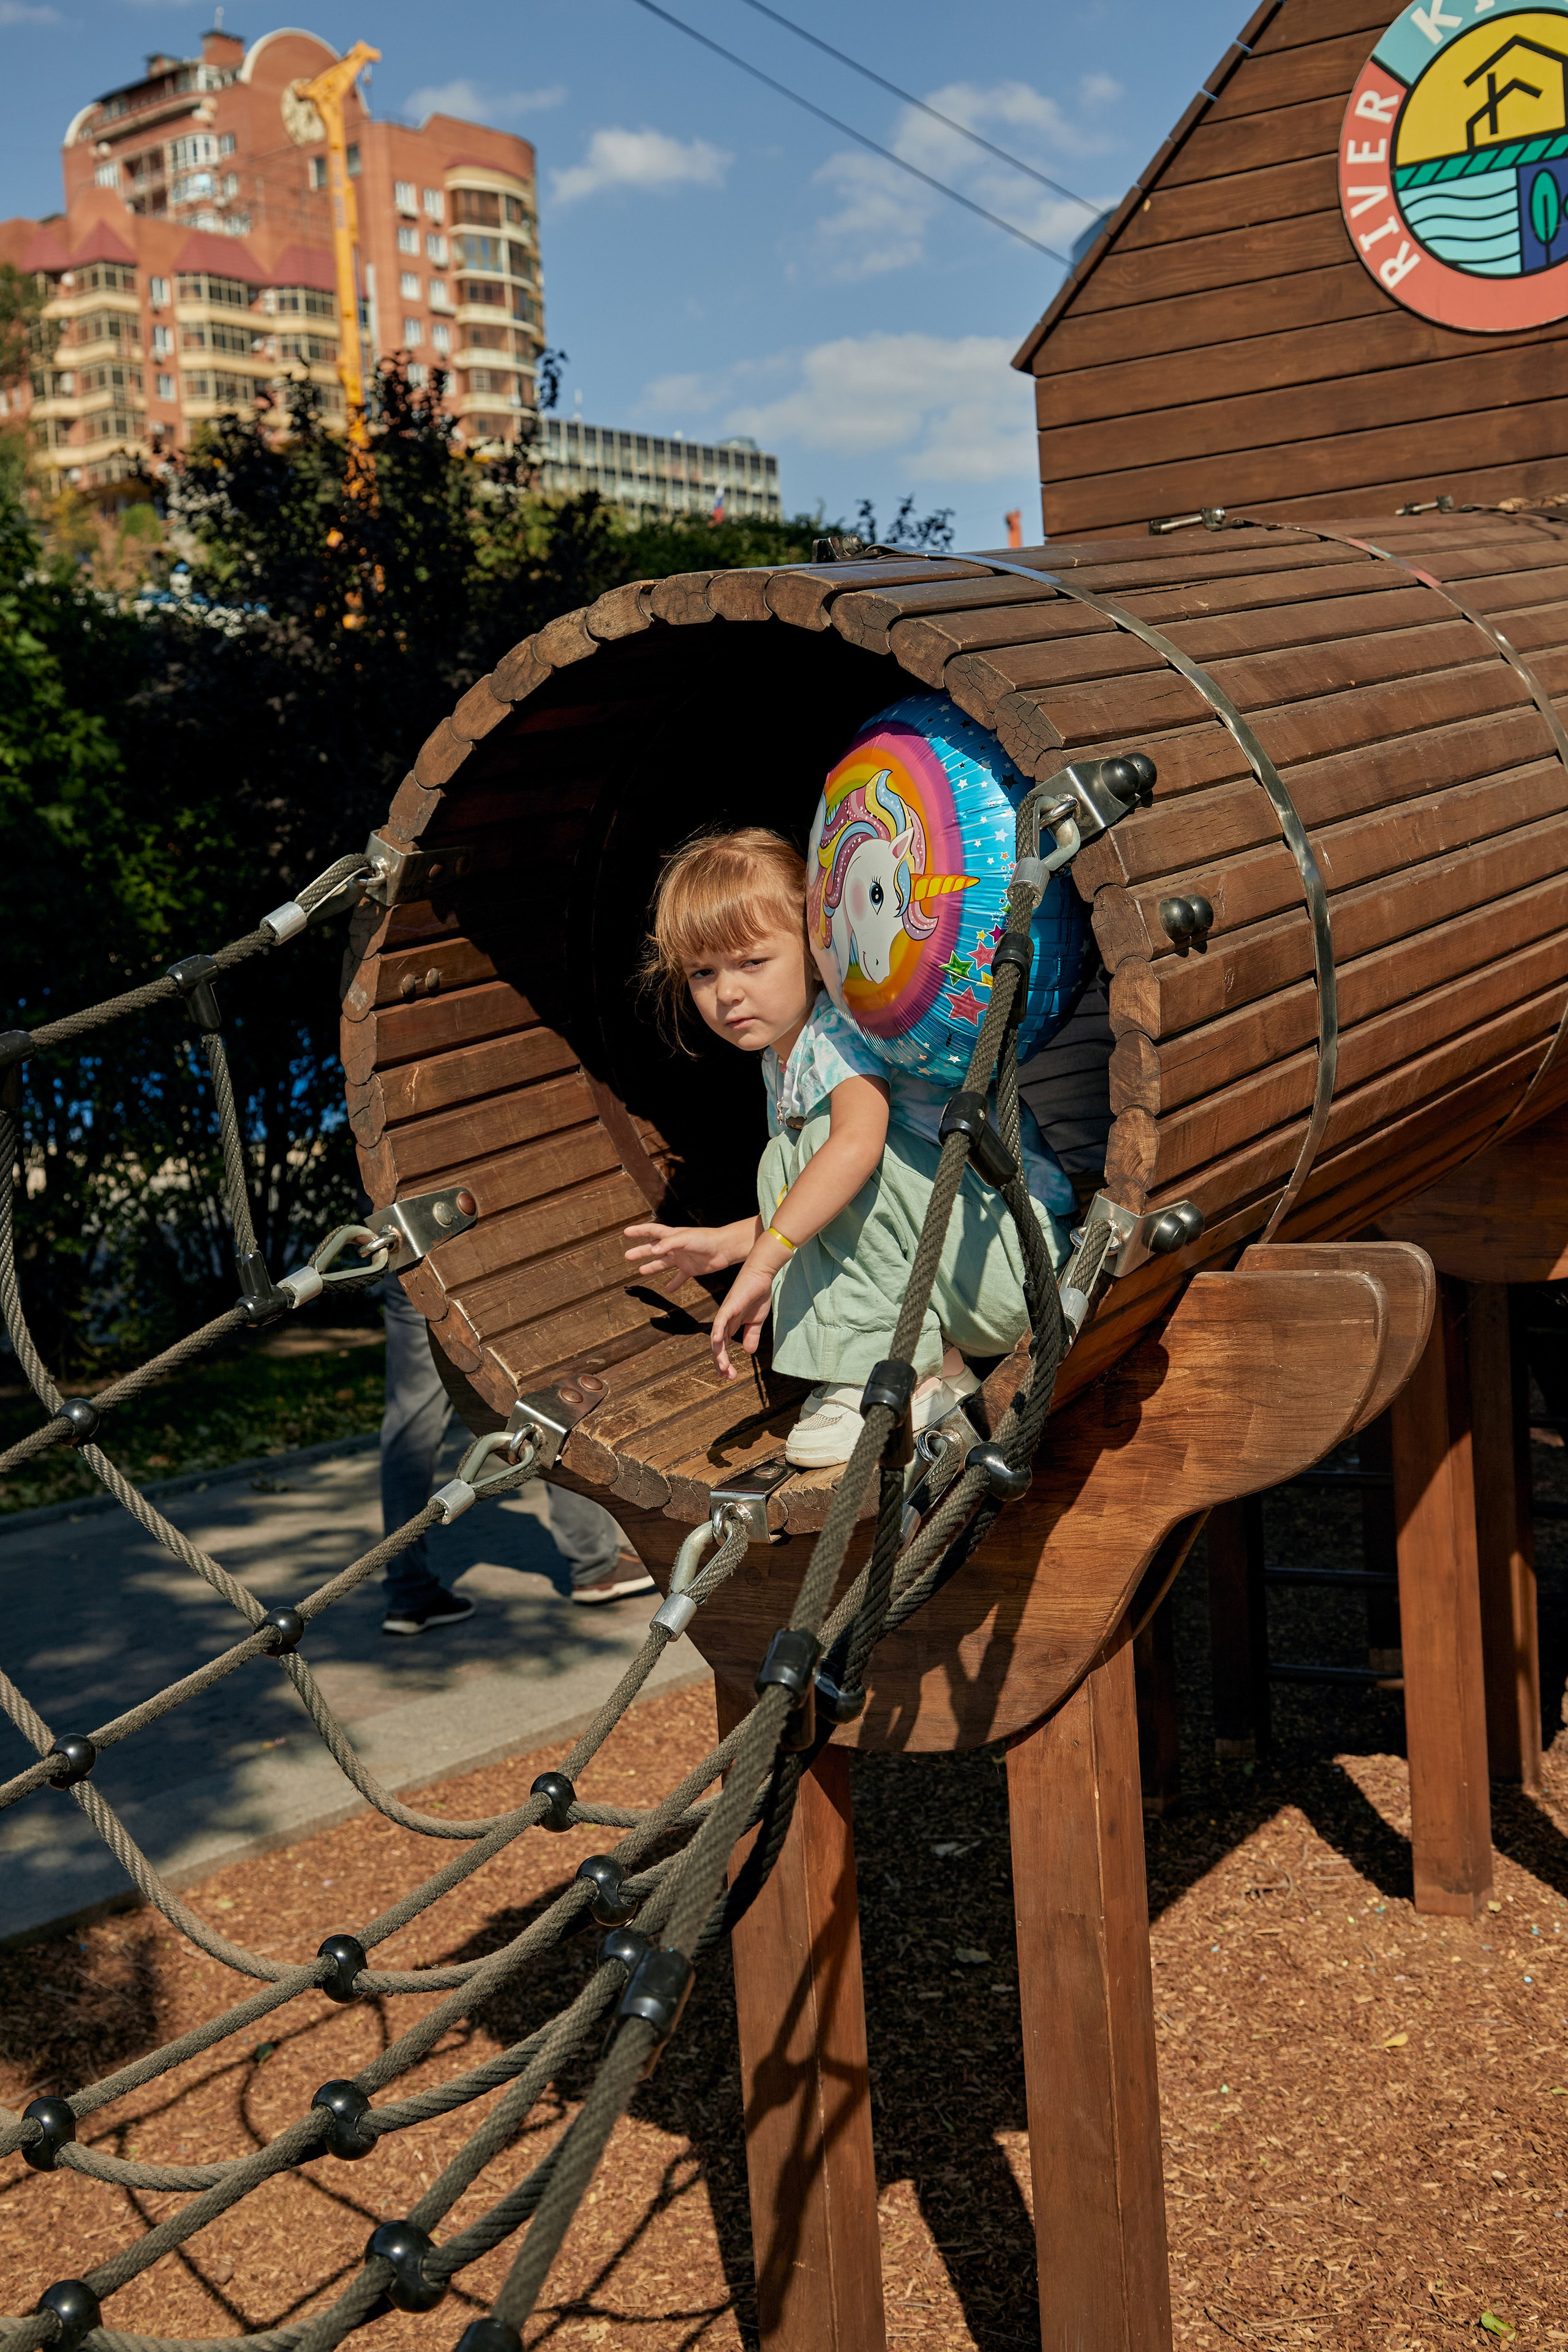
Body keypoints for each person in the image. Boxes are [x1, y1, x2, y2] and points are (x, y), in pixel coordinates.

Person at [623, 827, 1073, 1469]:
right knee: (797, 1161)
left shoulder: (838, 1031)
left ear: (812, 951)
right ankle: (928, 1369)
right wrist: (735, 1241)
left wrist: (764, 1264)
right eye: (703, 973)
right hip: (970, 1282)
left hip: (1015, 1264)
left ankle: (900, 1370)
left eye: (752, 962)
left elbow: (857, 1151)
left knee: (806, 1152)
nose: (726, 993)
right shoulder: (786, 1059)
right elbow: (840, 1199)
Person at [378, 1278, 652, 1635]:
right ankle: (595, 1565)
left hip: (413, 1254)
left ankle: (407, 1589)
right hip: (499, 1266)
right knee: (553, 1400)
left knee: (411, 1419)